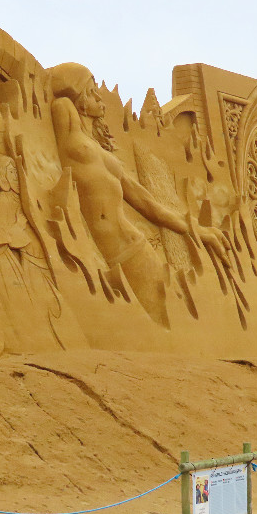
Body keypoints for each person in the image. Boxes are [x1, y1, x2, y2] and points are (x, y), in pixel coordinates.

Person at [49, 62, 229, 328]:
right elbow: (60, 95)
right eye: (91, 91)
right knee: (164, 321)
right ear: (79, 102)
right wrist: (75, 82)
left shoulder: (104, 157)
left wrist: (196, 230)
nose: (99, 96)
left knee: (171, 316)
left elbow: (148, 204)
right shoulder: (71, 133)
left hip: (137, 249)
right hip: (116, 256)